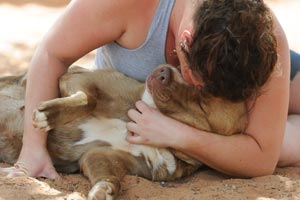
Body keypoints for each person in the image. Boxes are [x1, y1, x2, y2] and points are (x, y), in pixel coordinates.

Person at [4, 0, 300, 179]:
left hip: (242, 70)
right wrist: (33, 148)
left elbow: (261, 159)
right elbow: (51, 53)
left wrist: (178, 135)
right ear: (186, 40)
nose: (202, 89)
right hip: (208, 105)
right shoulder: (131, 5)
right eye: (202, 83)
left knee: (279, 146)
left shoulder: (264, 38)